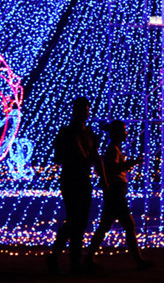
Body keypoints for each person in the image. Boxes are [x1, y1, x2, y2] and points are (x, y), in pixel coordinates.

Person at [47, 96, 107, 273]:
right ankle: (73, 261)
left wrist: (103, 178)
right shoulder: (66, 133)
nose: (85, 114)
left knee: (79, 221)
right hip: (70, 179)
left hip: (84, 180)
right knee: (75, 219)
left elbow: (96, 158)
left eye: (87, 111)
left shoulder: (89, 134)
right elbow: (58, 157)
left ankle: (57, 255)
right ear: (75, 112)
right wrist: (74, 159)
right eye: (82, 111)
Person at [85, 119, 152, 270]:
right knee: (128, 225)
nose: (126, 134)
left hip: (115, 192)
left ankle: (89, 258)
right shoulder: (113, 150)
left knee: (106, 225)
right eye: (123, 131)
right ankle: (138, 260)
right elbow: (113, 168)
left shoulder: (114, 149)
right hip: (116, 192)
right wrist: (131, 163)